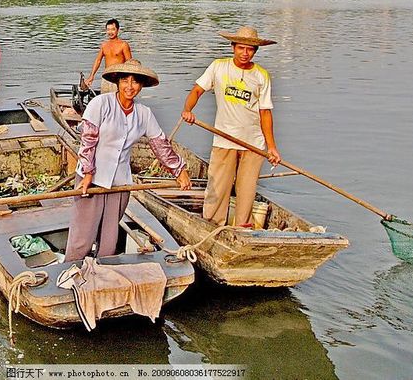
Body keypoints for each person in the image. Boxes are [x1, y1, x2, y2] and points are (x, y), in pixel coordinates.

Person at [65, 60, 192, 262]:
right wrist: (88, 173)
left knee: (109, 239)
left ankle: (104, 274)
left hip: (120, 183)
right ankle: (69, 273)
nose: (130, 86)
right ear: (117, 82)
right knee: (82, 238)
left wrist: (179, 170)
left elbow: (160, 145)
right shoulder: (101, 104)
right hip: (91, 180)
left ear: (141, 86)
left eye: (135, 82)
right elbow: (88, 140)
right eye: (125, 80)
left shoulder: (144, 114)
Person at [181, 26, 282, 228]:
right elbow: (197, 90)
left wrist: (271, 147)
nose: (245, 53)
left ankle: (242, 228)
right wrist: (188, 110)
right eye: (241, 48)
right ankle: (211, 225)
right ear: (233, 47)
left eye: (250, 50)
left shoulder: (261, 75)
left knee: (247, 190)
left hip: (252, 143)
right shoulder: (219, 67)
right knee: (217, 186)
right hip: (224, 139)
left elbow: (265, 113)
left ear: (255, 51)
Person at [84, 19, 133, 93]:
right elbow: (98, 61)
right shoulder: (104, 45)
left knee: (116, 101)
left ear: (118, 30)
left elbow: (130, 63)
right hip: (106, 77)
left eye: (113, 29)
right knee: (105, 100)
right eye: (108, 30)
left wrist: (129, 81)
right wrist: (91, 76)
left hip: (118, 78)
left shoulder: (123, 45)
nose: (110, 32)